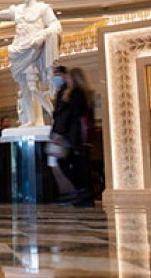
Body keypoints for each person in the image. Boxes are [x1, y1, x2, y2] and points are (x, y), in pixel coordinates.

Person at [48, 66, 95, 207]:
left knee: (69, 163)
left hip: (70, 135)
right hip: (74, 135)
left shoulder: (74, 93)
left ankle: (82, 192)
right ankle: (83, 193)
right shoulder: (82, 93)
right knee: (77, 165)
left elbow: (67, 116)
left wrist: (59, 134)